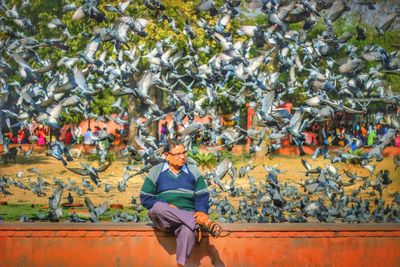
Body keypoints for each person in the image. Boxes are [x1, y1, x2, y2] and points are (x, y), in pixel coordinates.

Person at [139, 139, 221, 267]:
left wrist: (201, 211)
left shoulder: (193, 170)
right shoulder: (156, 171)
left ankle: (181, 264)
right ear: (166, 155)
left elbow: (202, 195)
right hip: (164, 217)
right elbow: (145, 197)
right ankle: (203, 223)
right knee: (158, 207)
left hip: (187, 216)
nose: (182, 157)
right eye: (177, 154)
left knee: (188, 231)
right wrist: (168, 206)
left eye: (184, 152)